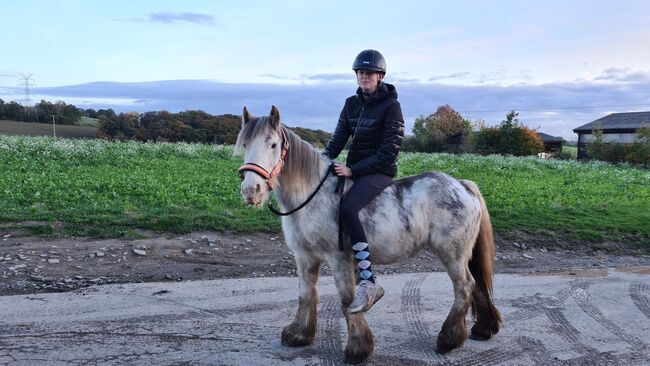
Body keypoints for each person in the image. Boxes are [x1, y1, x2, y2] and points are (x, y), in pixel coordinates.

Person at [323, 49, 404, 313]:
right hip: (354, 167)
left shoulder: (391, 106)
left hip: (378, 171)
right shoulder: (351, 104)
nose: (364, 76)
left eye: (369, 72)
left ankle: (369, 281)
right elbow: (337, 140)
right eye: (360, 72)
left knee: (347, 207)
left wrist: (352, 171)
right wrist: (320, 162)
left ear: (380, 76)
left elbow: (388, 151)